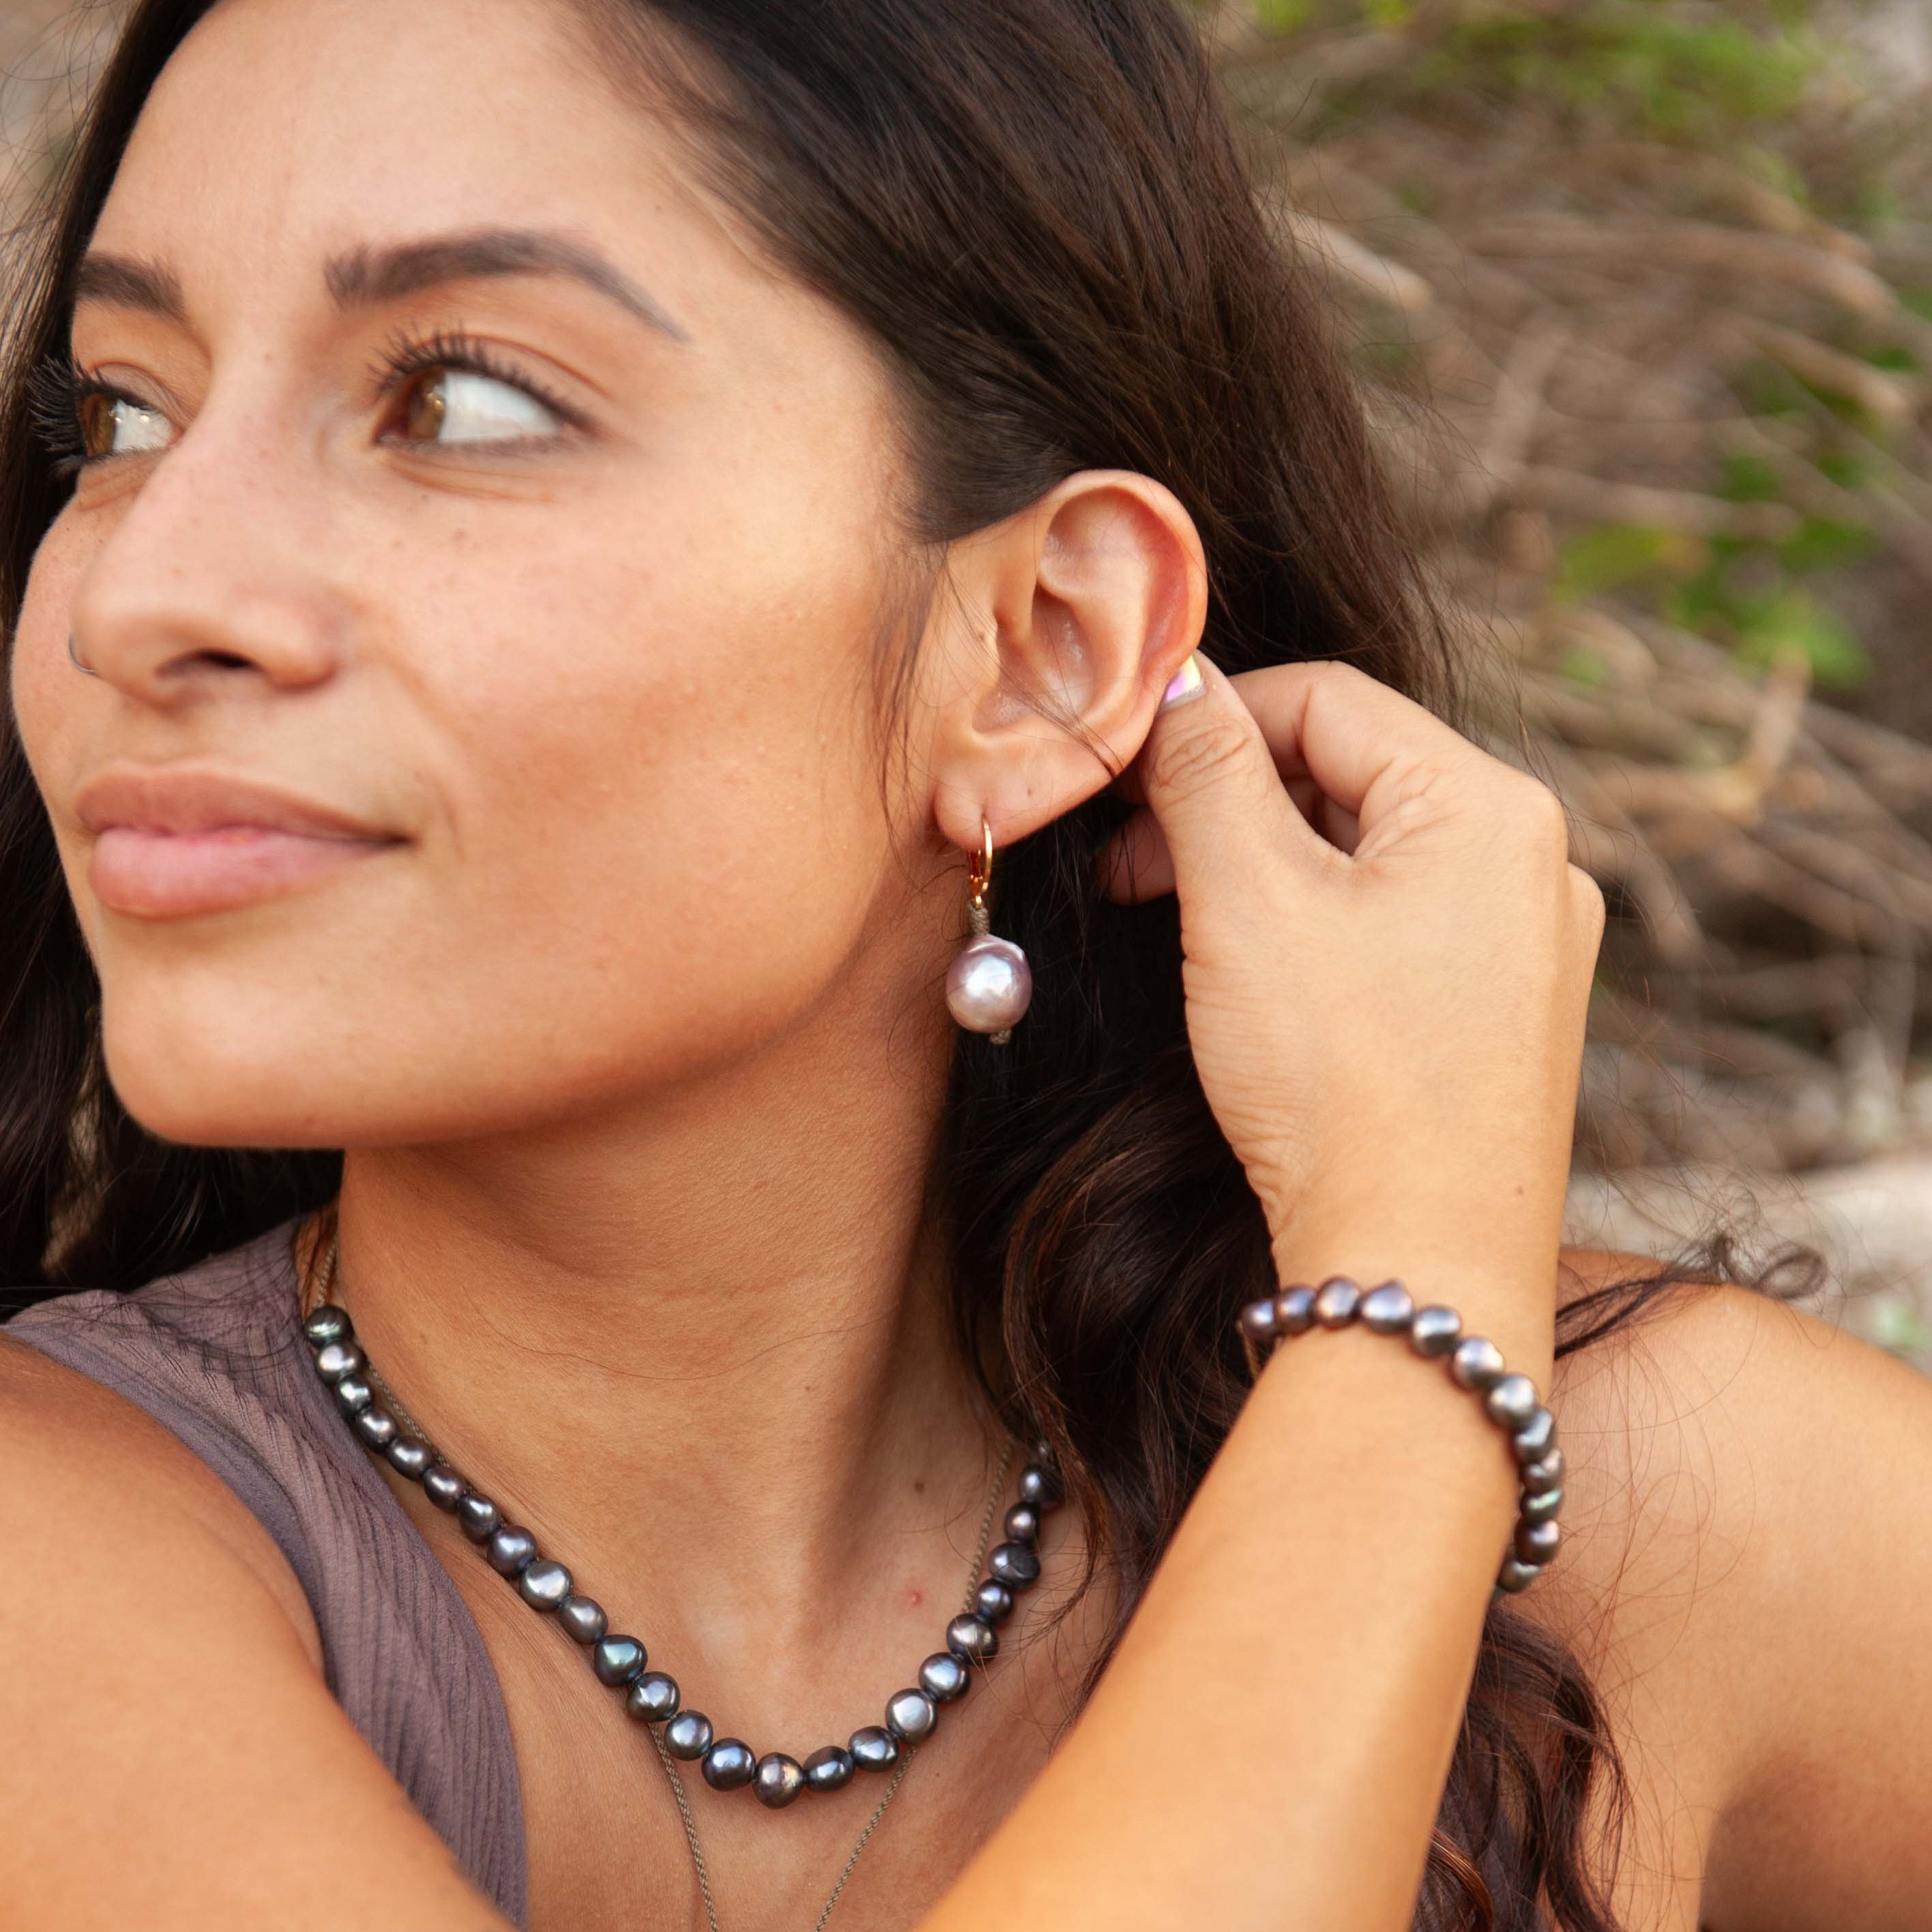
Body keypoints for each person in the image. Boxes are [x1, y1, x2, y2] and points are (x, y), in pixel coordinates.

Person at [1, 1, 1928, 1927]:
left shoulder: (1669, 1521)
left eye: (465, 402)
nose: (147, 589)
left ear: (1042, 654)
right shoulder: (54, 1561)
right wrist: (1414, 1304)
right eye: (118, 414)